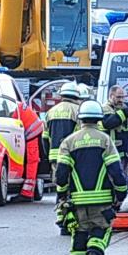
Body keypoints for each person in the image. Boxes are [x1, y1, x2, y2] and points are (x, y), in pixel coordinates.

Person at [54, 100, 128, 255]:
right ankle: (94, 254)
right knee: (101, 230)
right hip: (102, 201)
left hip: (77, 201)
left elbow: (61, 174)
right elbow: (116, 171)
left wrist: (62, 195)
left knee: (79, 232)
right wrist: (121, 193)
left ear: (80, 119)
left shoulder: (68, 142)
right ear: (98, 119)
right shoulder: (105, 140)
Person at [44, 82, 82, 234]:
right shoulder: (78, 111)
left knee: (60, 187)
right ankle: (71, 221)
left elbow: (45, 137)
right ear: (76, 96)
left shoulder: (51, 112)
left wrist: (50, 155)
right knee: (73, 189)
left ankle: (61, 219)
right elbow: (80, 136)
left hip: (55, 157)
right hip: (72, 156)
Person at [101, 85, 128, 175]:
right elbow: (109, 123)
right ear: (111, 96)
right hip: (110, 152)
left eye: (123, 97)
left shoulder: (124, 108)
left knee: (123, 180)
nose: (121, 100)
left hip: (124, 154)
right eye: (118, 97)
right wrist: (124, 113)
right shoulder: (105, 108)